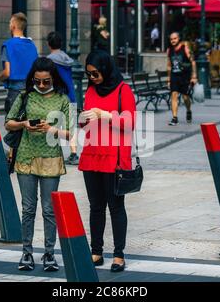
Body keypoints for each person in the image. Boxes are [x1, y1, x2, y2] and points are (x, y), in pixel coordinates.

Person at [5, 57, 71, 272]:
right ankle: (27, 252)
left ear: (54, 80)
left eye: (46, 82)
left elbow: (70, 132)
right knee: (28, 208)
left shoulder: (62, 99)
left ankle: (50, 253)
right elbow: (8, 122)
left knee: (49, 210)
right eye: (38, 81)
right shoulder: (25, 95)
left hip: (51, 158)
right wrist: (24, 124)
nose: (41, 85)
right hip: (26, 157)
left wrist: (50, 129)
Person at [79, 50, 136, 273]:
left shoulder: (124, 90)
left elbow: (130, 122)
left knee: (115, 207)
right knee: (95, 207)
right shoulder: (91, 90)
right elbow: (85, 123)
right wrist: (83, 118)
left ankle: (119, 254)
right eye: (89, 75)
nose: (92, 78)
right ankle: (96, 251)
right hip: (92, 154)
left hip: (114, 158)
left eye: (95, 74)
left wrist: (104, 114)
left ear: (105, 69)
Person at [46, 31, 79, 165]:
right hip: (70, 94)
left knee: (53, 124)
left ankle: (53, 153)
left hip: (57, 96)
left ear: (48, 44)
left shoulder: (49, 60)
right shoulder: (67, 59)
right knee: (71, 125)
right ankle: (74, 153)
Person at [0, 12, 38, 115]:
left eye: (10, 23)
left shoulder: (8, 45)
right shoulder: (32, 45)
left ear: (13, 26)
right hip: (31, 92)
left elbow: (7, 73)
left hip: (15, 92)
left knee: (13, 125)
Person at [166, 32, 197, 126]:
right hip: (174, 76)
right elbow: (168, 65)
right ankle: (175, 118)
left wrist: (194, 76)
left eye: (175, 38)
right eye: (171, 39)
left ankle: (188, 110)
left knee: (185, 97)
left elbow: (193, 62)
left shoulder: (185, 48)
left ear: (179, 38)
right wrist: (168, 79)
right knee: (174, 95)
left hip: (185, 76)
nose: (173, 41)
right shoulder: (169, 50)